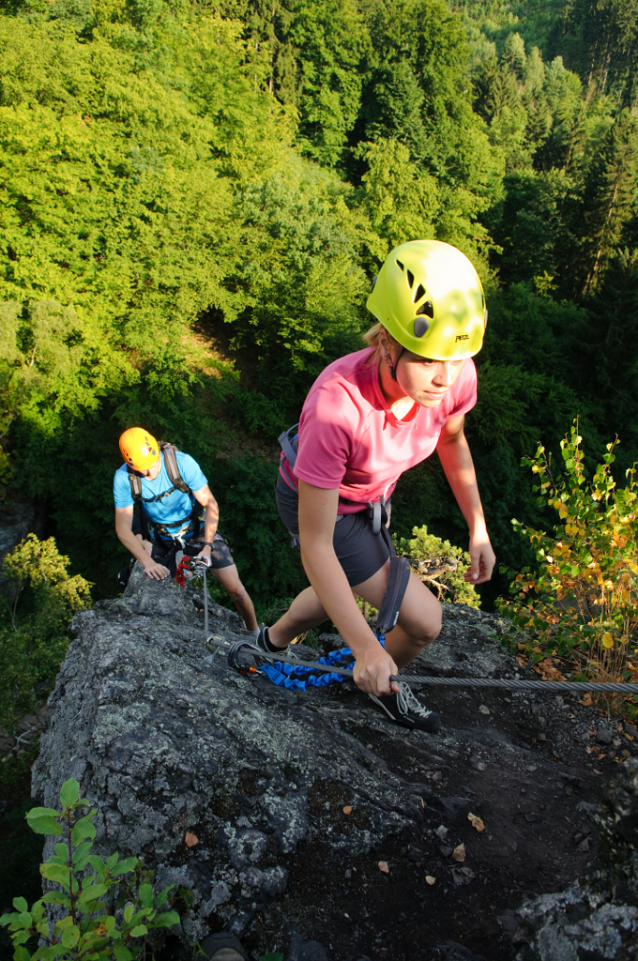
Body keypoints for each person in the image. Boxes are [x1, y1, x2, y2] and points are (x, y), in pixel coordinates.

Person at [258, 240, 495, 732]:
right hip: (322, 503)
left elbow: (453, 440)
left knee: (343, 588)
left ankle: (270, 642)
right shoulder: (336, 407)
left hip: (371, 496)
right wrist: (367, 646)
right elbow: (318, 544)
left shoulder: (456, 373)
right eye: (428, 361)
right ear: (387, 341)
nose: (446, 379)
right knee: (426, 623)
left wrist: (478, 527)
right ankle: (368, 675)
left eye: (454, 361)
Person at [113, 428, 258, 634]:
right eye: (143, 471)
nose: (150, 473)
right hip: (162, 539)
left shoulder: (181, 463)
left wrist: (207, 547)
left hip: (197, 532)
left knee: (237, 591)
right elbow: (122, 529)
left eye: (153, 466)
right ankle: (183, 574)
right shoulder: (124, 479)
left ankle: (255, 634)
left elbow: (210, 504)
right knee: (175, 587)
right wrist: (148, 562)